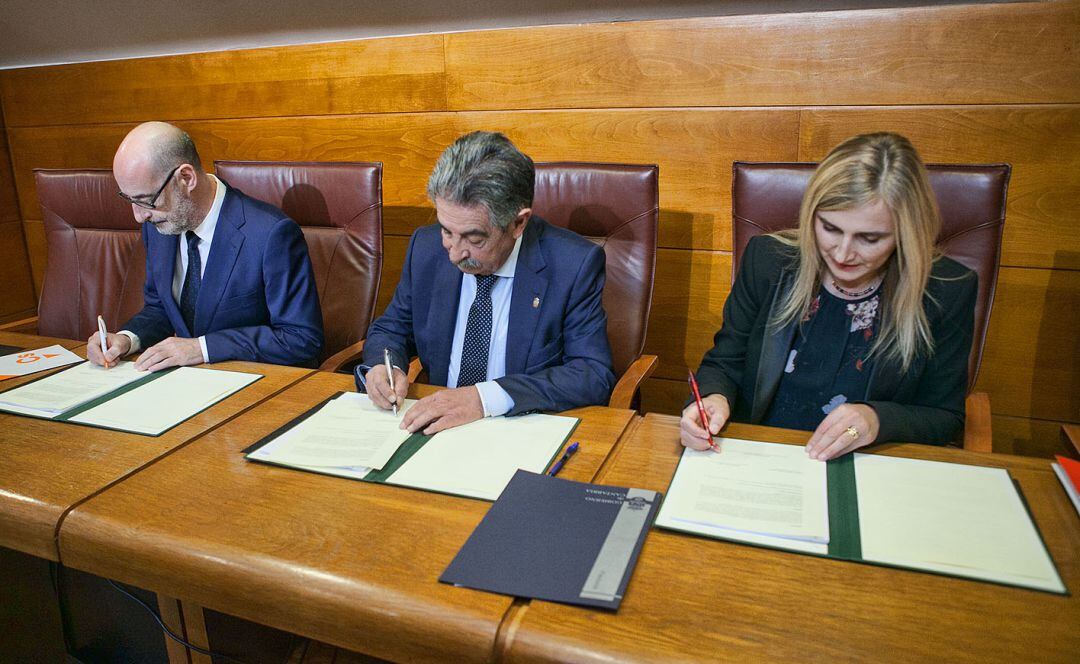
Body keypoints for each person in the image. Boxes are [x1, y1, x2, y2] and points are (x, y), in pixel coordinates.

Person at [682, 132, 976, 461]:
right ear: (812, 216)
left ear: (904, 233)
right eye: (831, 228)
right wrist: (713, 399)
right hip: (761, 455)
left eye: (869, 238)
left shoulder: (945, 289)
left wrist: (876, 420)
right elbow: (725, 362)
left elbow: (944, 416)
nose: (843, 253)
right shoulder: (768, 260)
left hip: (867, 461)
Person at [360, 131, 615, 433]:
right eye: (446, 231)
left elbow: (591, 373)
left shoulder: (572, 264)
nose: (454, 254)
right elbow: (392, 328)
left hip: (519, 429)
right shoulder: (426, 248)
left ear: (518, 223)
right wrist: (383, 366)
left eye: (474, 238)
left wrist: (484, 399)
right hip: (436, 430)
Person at [88, 122, 323, 371]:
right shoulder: (159, 226)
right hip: (187, 384)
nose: (138, 216)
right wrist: (127, 339)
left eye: (146, 201)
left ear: (186, 178)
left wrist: (202, 348)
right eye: (129, 199)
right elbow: (161, 309)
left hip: (254, 383)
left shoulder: (270, 234)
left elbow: (301, 338)